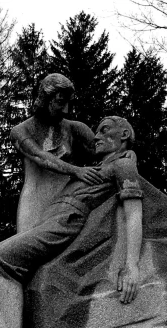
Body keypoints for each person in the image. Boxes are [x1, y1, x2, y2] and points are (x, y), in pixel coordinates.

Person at [0, 116, 144, 328]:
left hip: (64, 223)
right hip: (48, 220)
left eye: (104, 130)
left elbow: (134, 211)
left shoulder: (122, 166)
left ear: (123, 135)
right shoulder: (96, 167)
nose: (96, 137)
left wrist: (131, 264)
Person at [10, 73, 102, 233]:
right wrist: (77, 171)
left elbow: (105, 149)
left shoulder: (75, 128)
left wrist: (127, 154)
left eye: (68, 103)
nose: (66, 110)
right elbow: (40, 157)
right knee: (29, 247)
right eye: (60, 102)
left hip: (68, 198)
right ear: (46, 99)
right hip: (36, 201)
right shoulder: (21, 131)